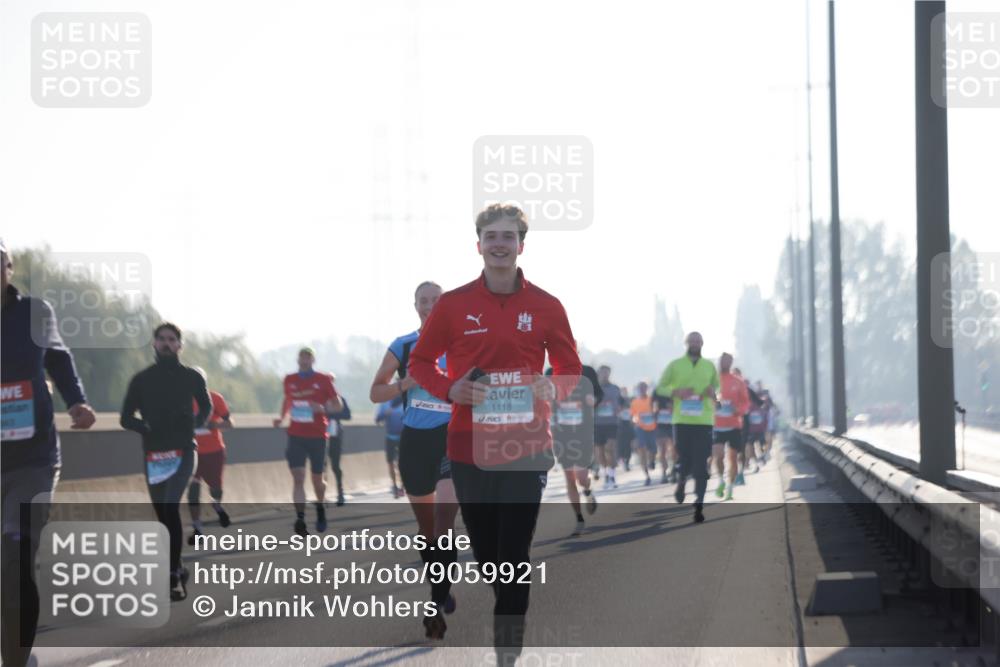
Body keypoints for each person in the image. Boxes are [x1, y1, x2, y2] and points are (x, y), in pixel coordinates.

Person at [408, 203, 581, 661]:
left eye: (508, 237)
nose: (499, 244)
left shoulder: (547, 306)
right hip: (468, 448)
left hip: (527, 446)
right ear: (479, 245)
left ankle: (508, 651)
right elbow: (420, 363)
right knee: (489, 558)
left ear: (521, 246)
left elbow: (570, 368)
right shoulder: (453, 305)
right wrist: (451, 389)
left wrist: (553, 386)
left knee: (515, 553)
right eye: (491, 237)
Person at [1, 240, 96, 667]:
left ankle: (15, 660)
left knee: (16, 556)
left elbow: (58, 359)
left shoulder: (35, 313)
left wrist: (77, 402)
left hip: (32, 459)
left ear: (10, 267)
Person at [369, 280, 461, 639]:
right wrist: (402, 385)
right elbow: (375, 391)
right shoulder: (404, 345)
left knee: (443, 523)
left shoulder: (463, 343)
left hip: (452, 438)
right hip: (415, 442)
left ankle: (435, 606)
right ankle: (441, 586)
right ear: (416, 306)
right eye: (424, 301)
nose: (430, 305)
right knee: (427, 530)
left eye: (436, 300)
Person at [121, 322, 212, 600]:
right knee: (163, 516)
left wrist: (193, 424)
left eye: (172, 339)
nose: (166, 343)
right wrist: (144, 427)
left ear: (179, 346)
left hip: (183, 451)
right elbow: (125, 418)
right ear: (154, 344)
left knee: (170, 506)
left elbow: (206, 406)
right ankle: (179, 567)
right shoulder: (141, 379)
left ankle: (172, 575)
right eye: (161, 339)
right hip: (154, 455)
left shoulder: (191, 377)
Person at [272, 347, 343, 536]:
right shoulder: (289, 379)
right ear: (298, 360)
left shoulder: (324, 379)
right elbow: (288, 400)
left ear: (313, 360)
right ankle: (300, 519)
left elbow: (338, 405)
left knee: (317, 480)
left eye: (308, 357)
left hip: (318, 436)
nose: (304, 360)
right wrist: (281, 417)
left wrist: (322, 409)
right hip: (296, 435)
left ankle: (320, 507)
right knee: (298, 478)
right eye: (301, 357)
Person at [656, 331, 720, 523]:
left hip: (704, 421)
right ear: (686, 343)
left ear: (702, 343)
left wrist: (712, 392)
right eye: (692, 341)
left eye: (698, 341)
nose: (695, 344)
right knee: (685, 459)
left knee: (701, 463)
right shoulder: (675, 365)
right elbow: (660, 388)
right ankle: (682, 482)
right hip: (681, 420)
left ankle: (699, 505)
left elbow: (717, 388)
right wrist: (676, 392)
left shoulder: (709, 366)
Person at [547, 356, 602, 536]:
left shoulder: (587, 371)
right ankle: (579, 518)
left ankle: (588, 491)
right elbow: (543, 397)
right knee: (569, 477)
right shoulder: (550, 373)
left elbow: (599, 393)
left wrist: (593, 399)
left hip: (582, 431)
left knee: (581, 477)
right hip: (560, 432)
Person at [186, 367, 234, 544]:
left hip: (214, 451)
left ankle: (217, 505)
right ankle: (197, 528)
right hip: (192, 452)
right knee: (193, 489)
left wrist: (215, 425)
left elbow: (230, 423)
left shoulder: (215, 398)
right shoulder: (182, 399)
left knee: (216, 488)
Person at [712, 353, 750, 501]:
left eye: (727, 361)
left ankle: (730, 487)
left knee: (733, 458)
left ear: (731, 363)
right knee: (718, 456)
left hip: (734, 425)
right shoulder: (713, 381)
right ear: (719, 362)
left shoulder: (738, 381)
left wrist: (738, 410)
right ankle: (721, 481)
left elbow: (745, 402)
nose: (724, 363)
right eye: (722, 361)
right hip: (717, 425)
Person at [594, 365, 622, 489]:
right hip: (597, 423)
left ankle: (612, 476)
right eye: (602, 372)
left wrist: (619, 408)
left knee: (610, 448)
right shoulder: (593, 388)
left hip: (611, 423)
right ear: (598, 374)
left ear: (609, 374)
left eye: (607, 372)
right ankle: (605, 473)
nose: (605, 375)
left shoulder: (615, 388)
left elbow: (621, 402)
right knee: (600, 452)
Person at [326, 381, 351, 507]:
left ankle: (340, 492)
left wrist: (331, 413)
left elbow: (347, 415)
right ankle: (322, 495)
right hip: (320, 434)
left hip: (336, 435)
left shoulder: (340, 399)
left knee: (335, 465)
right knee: (321, 466)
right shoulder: (320, 399)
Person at [375, 397, 405, 498]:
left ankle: (402, 486)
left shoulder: (405, 400)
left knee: (402, 463)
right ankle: (394, 485)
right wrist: (385, 414)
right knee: (390, 463)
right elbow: (377, 419)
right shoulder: (384, 403)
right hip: (390, 438)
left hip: (403, 438)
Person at [630, 381, 658, 486]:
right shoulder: (634, 402)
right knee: (642, 451)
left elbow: (656, 411)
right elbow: (632, 415)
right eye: (640, 388)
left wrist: (654, 415)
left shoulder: (652, 400)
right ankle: (647, 476)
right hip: (640, 428)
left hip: (652, 428)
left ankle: (652, 461)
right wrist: (634, 422)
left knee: (653, 450)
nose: (642, 389)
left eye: (644, 387)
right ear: (638, 389)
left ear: (647, 388)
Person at [653, 391, 675, 484]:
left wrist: (672, 408)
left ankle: (673, 470)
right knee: (662, 450)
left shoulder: (674, 389)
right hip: (661, 426)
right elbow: (653, 408)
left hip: (673, 424)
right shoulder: (656, 392)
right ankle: (664, 473)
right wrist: (655, 411)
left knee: (674, 450)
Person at [616, 386, 634, 473]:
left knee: (628, 444)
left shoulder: (630, 401)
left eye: (625, 391)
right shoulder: (618, 400)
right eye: (623, 391)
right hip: (619, 424)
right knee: (620, 444)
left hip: (628, 424)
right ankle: (621, 459)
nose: (624, 393)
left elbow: (632, 412)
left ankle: (627, 461)